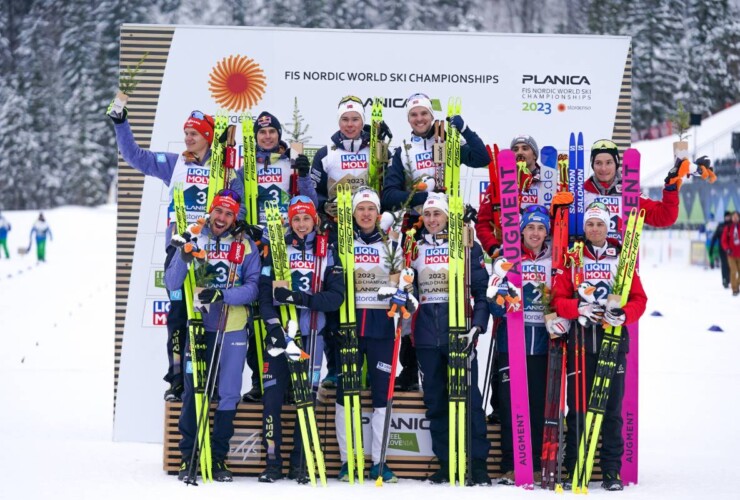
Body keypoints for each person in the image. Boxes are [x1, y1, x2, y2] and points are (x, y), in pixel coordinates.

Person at [109, 101, 244, 402]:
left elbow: (241, 206)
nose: (188, 137)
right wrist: (121, 123)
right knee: (178, 315)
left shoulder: (225, 170)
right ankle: (178, 379)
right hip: (179, 249)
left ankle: (211, 379)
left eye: (194, 133)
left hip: (212, 251)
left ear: (208, 137)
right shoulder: (174, 163)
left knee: (208, 313)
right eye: (186, 132)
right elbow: (136, 156)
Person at [381, 93, 489, 392]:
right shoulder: (404, 151)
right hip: (418, 227)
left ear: (431, 116)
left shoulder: (449, 141)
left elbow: (482, 159)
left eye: (424, 114)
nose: (419, 120)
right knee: (413, 293)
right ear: (408, 120)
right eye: (414, 115)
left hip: (450, 226)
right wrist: (423, 198)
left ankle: (455, 344)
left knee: (450, 286)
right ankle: (410, 366)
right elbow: (389, 194)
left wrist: (465, 130)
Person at [164, 189, 260, 482]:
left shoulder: (245, 246)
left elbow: (254, 287)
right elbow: (171, 281)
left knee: (229, 393)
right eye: (219, 211)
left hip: (233, 327)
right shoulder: (194, 235)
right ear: (211, 210)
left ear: (235, 217)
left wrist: (223, 294)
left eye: (229, 214)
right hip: (199, 328)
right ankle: (188, 456)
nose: (222, 218)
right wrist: (183, 254)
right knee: (196, 390)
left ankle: (218, 458)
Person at [550, 202, 648, 491]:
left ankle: (611, 471)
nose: (595, 229)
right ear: (585, 228)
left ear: (608, 227)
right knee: (577, 409)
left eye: (600, 224)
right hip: (581, 343)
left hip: (613, 343)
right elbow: (558, 300)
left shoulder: (621, 259)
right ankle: (574, 468)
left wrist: (625, 314)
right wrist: (578, 308)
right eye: (591, 224)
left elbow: (640, 299)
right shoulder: (574, 258)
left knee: (611, 410)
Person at [256, 196, 344, 483]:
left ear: (314, 220)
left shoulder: (326, 249)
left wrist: (300, 298)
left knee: (306, 400)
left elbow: (335, 297)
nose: (302, 224)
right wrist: (272, 327)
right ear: (289, 222)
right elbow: (264, 292)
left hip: (311, 336)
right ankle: (272, 463)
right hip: (281, 336)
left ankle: (300, 463)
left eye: (306, 218)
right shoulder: (277, 249)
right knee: (272, 399)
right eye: (296, 219)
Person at [408, 193, 491, 485]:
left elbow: (482, 293)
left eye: (437, 214)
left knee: (469, 399)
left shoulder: (467, 246)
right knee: (436, 401)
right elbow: (408, 289)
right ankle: (446, 461)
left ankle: (478, 463)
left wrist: (478, 326)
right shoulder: (414, 248)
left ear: (447, 217)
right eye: (428, 215)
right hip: (427, 338)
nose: (432, 220)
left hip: (460, 333)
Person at [487, 205, 570, 485]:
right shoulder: (507, 259)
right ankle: (511, 463)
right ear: (521, 230)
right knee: (511, 405)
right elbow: (493, 306)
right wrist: (499, 296)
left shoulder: (555, 261)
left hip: (544, 345)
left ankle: (535, 464)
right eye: (530, 228)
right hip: (512, 343)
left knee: (538, 406)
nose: (535, 233)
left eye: (540, 228)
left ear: (547, 233)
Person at [334, 188, 408, 483]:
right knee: (345, 395)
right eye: (360, 209)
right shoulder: (344, 243)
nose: (365, 214)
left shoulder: (391, 245)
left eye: (370, 209)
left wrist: (404, 294)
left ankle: (379, 462)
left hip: (380, 327)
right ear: (353, 214)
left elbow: (404, 281)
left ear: (378, 214)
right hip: (349, 325)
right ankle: (346, 460)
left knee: (382, 397)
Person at [241, 110, 311, 404]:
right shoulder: (247, 167)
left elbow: (309, 201)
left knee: (289, 311)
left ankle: (295, 377)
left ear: (279, 134)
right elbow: (240, 199)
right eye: (262, 133)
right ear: (256, 137)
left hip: (287, 243)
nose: (267, 136)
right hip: (259, 246)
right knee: (259, 315)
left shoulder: (289, 163)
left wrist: (304, 174)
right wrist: (243, 224)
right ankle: (262, 378)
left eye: (272, 132)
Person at [584, 139, 679, 240]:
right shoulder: (583, 193)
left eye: (608, 162)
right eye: (598, 163)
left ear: (616, 163)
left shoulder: (630, 192)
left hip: (622, 255)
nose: (603, 168)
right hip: (587, 255)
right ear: (592, 165)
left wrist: (670, 188)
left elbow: (665, 217)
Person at [710, 211, 732, 288]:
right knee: (724, 264)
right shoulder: (721, 226)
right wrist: (711, 248)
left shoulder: (733, 225)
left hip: (731, 249)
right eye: (726, 216)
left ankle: (729, 279)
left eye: (729, 216)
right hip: (722, 249)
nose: (727, 218)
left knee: (730, 265)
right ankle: (725, 280)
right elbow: (714, 237)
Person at [721, 211, 740, 296]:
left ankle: (736, 284)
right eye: (734, 216)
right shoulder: (728, 228)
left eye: (737, 216)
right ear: (732, 218)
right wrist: (727, 249)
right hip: (731, 254)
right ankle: (734, 288)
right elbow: (723, 240)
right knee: (733, 271)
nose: (735, 218)